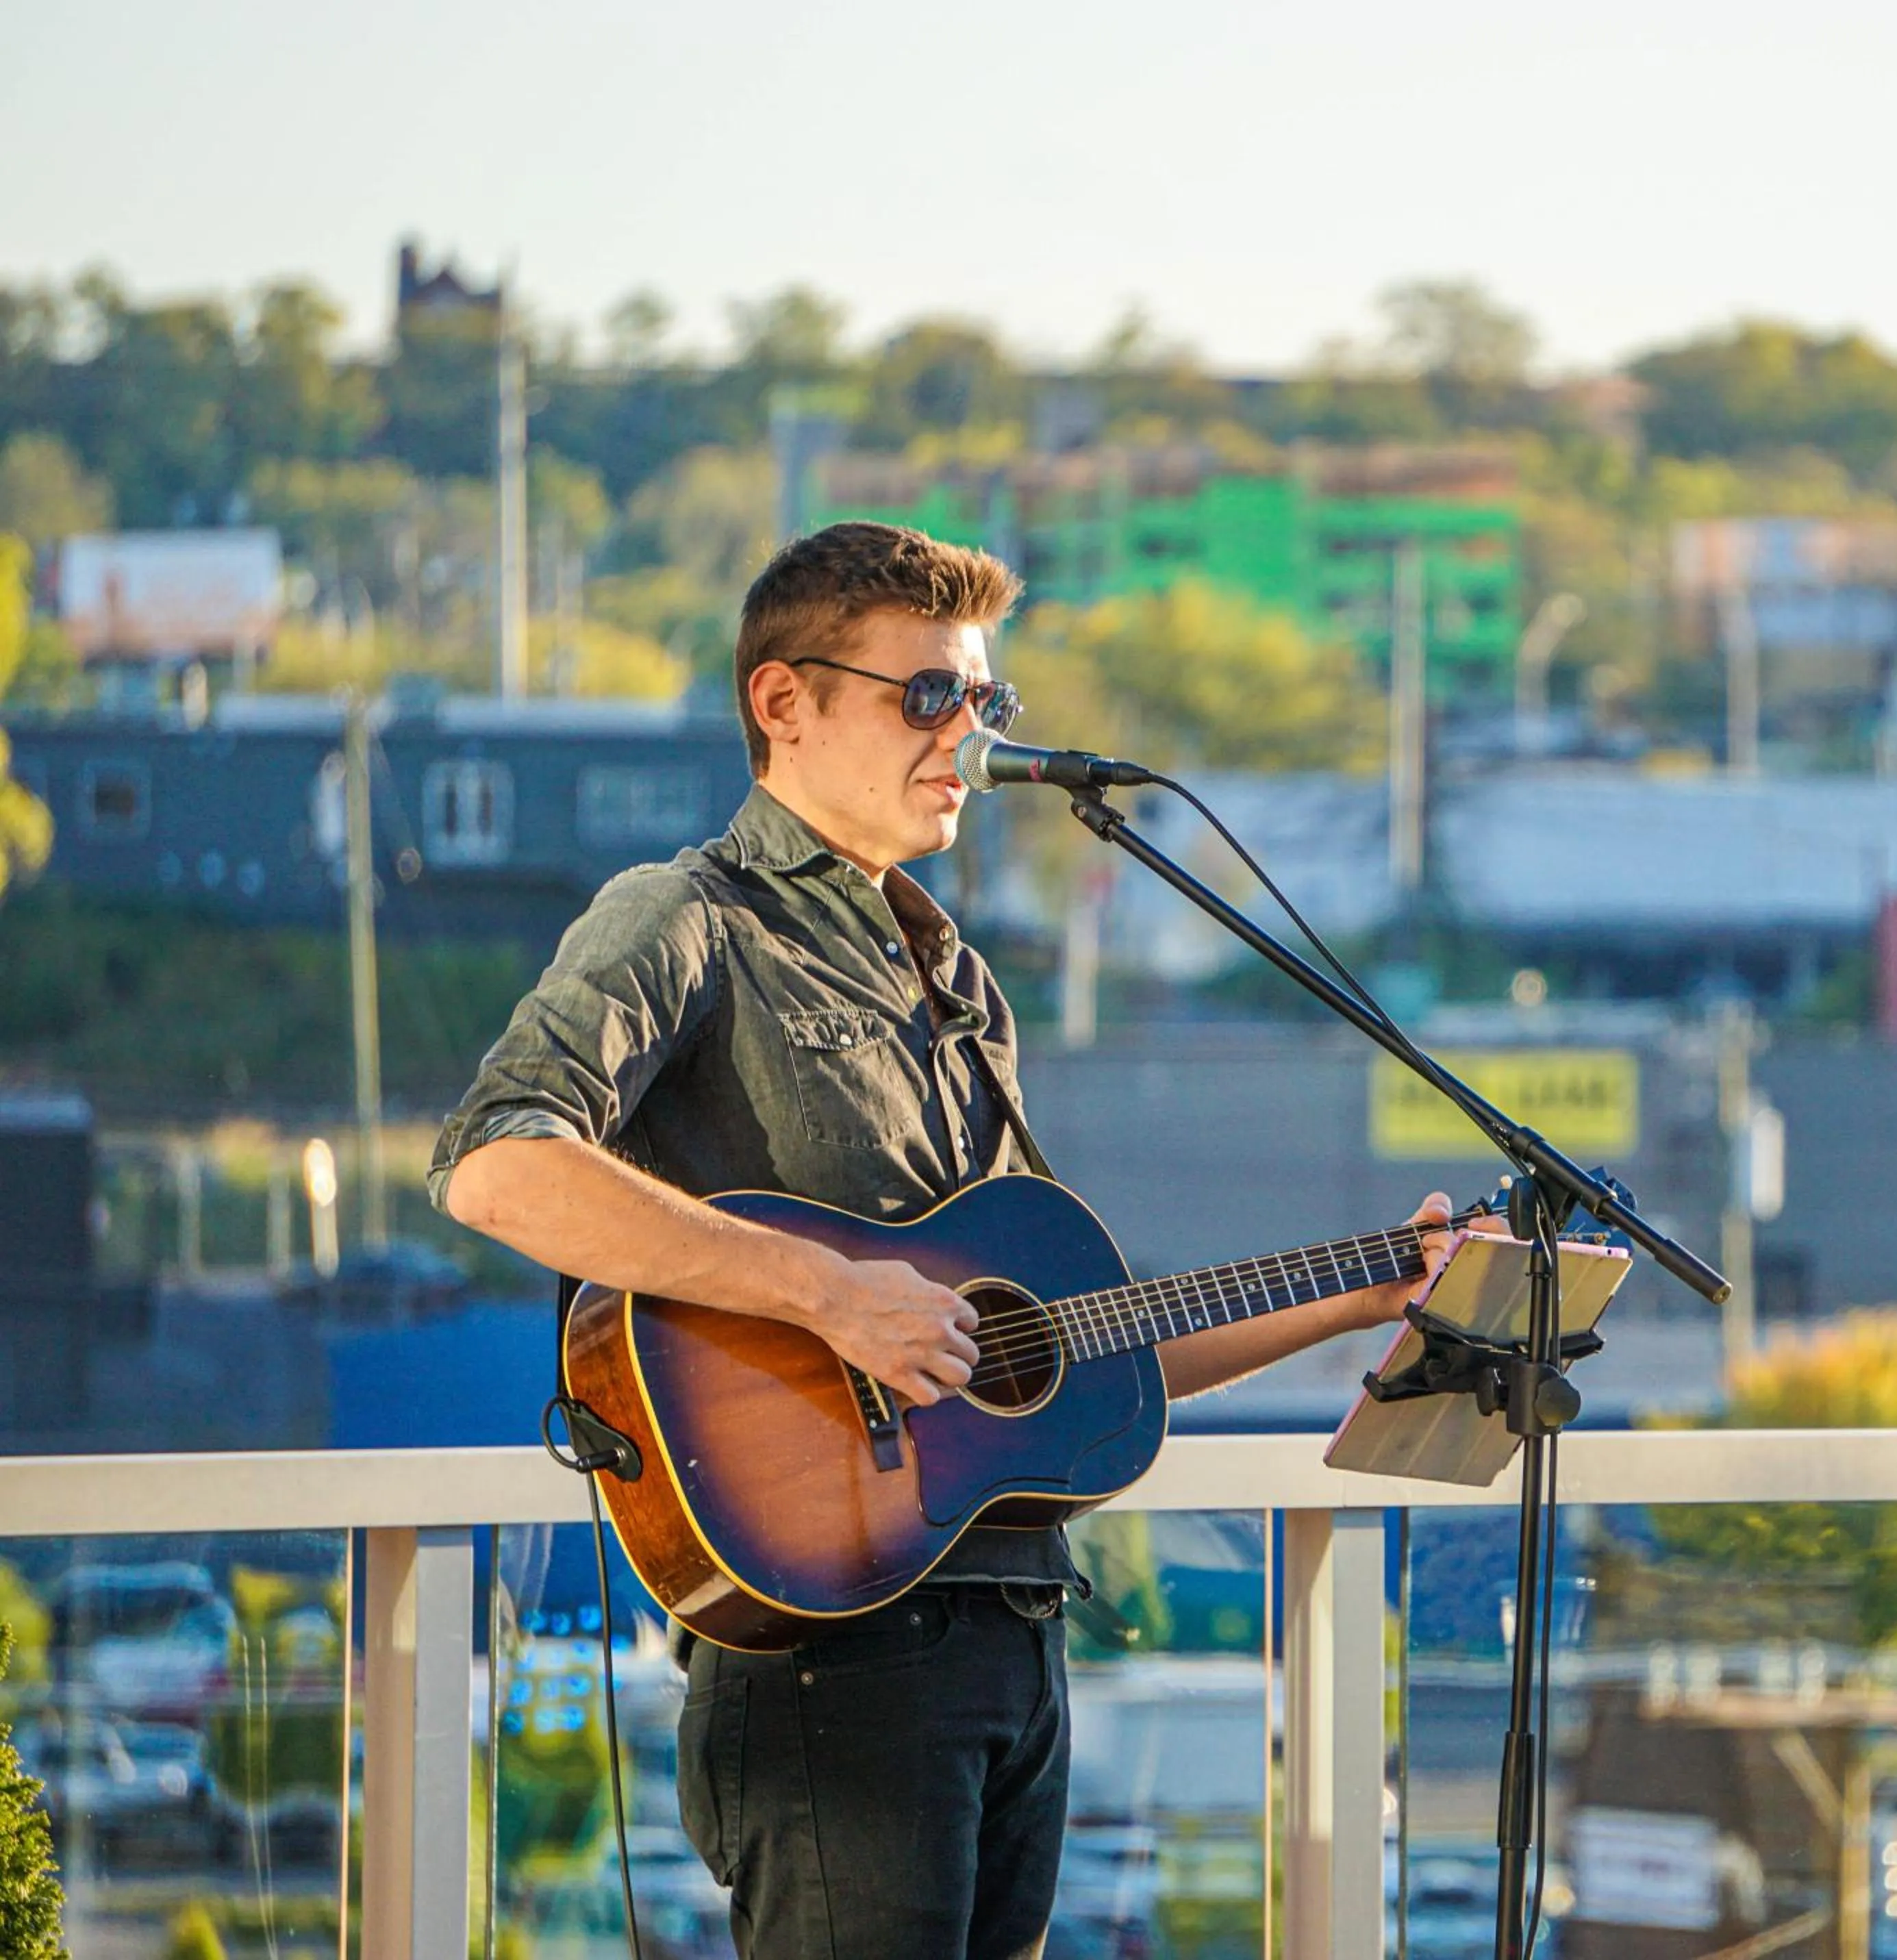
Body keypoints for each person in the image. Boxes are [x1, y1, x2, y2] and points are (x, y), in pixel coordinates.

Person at [429, 520, 1454, 1960]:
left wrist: (1358, 1297)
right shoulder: (685, 919)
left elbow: (1059, 1347)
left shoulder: (959, 979)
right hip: (829, 1658)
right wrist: (834, 1298)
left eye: (986, 703)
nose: (967, 732)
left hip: (1016, 1637)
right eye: (929, 696)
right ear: (784, 705)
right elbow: (498, 1166)